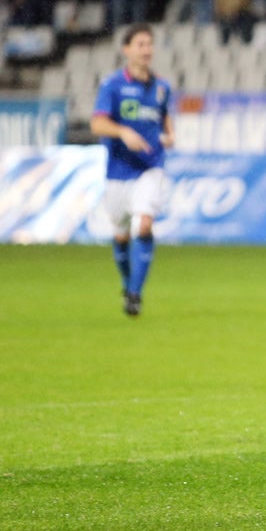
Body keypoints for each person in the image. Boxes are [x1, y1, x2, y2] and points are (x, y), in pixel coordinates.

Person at [91, 24, 174, 317]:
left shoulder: (162, 87)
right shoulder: (112, 85)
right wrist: (123, 132)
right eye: (140, 44)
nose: (146, 50)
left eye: (149, 44)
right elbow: (97, 123)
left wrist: (169, 134)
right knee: (121, 236)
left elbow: (165, 119)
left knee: (145, 225)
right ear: (126, 49)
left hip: (150, 169)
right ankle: (128, 283)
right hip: (118, 172)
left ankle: (135, 294)